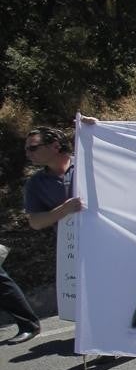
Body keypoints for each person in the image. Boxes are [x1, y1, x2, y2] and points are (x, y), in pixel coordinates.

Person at [13, 126, 88, 344]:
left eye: (34, 148)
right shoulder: (35, 184)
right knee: (87, 296)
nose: (28, 153)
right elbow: (35, 222)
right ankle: (102, 342)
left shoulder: (87, 165)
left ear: (55, 145)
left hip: (108, 243)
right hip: (73, 249)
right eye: (27, 149)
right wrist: (62, 211)